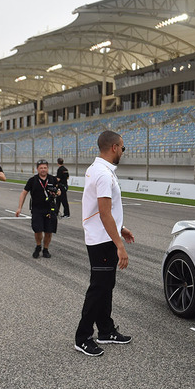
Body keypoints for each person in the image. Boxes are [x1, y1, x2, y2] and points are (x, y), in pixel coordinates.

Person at [74, 131, 134, 357]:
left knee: (106, 286)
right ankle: (82, 337)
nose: (123, 152)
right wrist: (119, 245)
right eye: (123, 148)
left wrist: (121, 228)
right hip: (102, 240)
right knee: (98, 289)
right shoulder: (102, 174)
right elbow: (104, 213)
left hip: (104, 235)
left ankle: (105, 330)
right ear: (115, 147)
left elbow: (108, 213)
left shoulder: (98, 169)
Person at [16, 160, 60, 258]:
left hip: (50, 209)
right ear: (37, 169)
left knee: (49, 231)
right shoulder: (32, 180)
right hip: (37, 209)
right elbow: (24, 193)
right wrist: (19, 207)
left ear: (47, 168)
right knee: (38, 230)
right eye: (41, 168)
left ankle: (46, 249)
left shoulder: (53, 179)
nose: (43, 170)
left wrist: (57, 193)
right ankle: (38, 246)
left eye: (45, 168)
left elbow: (59, 191)